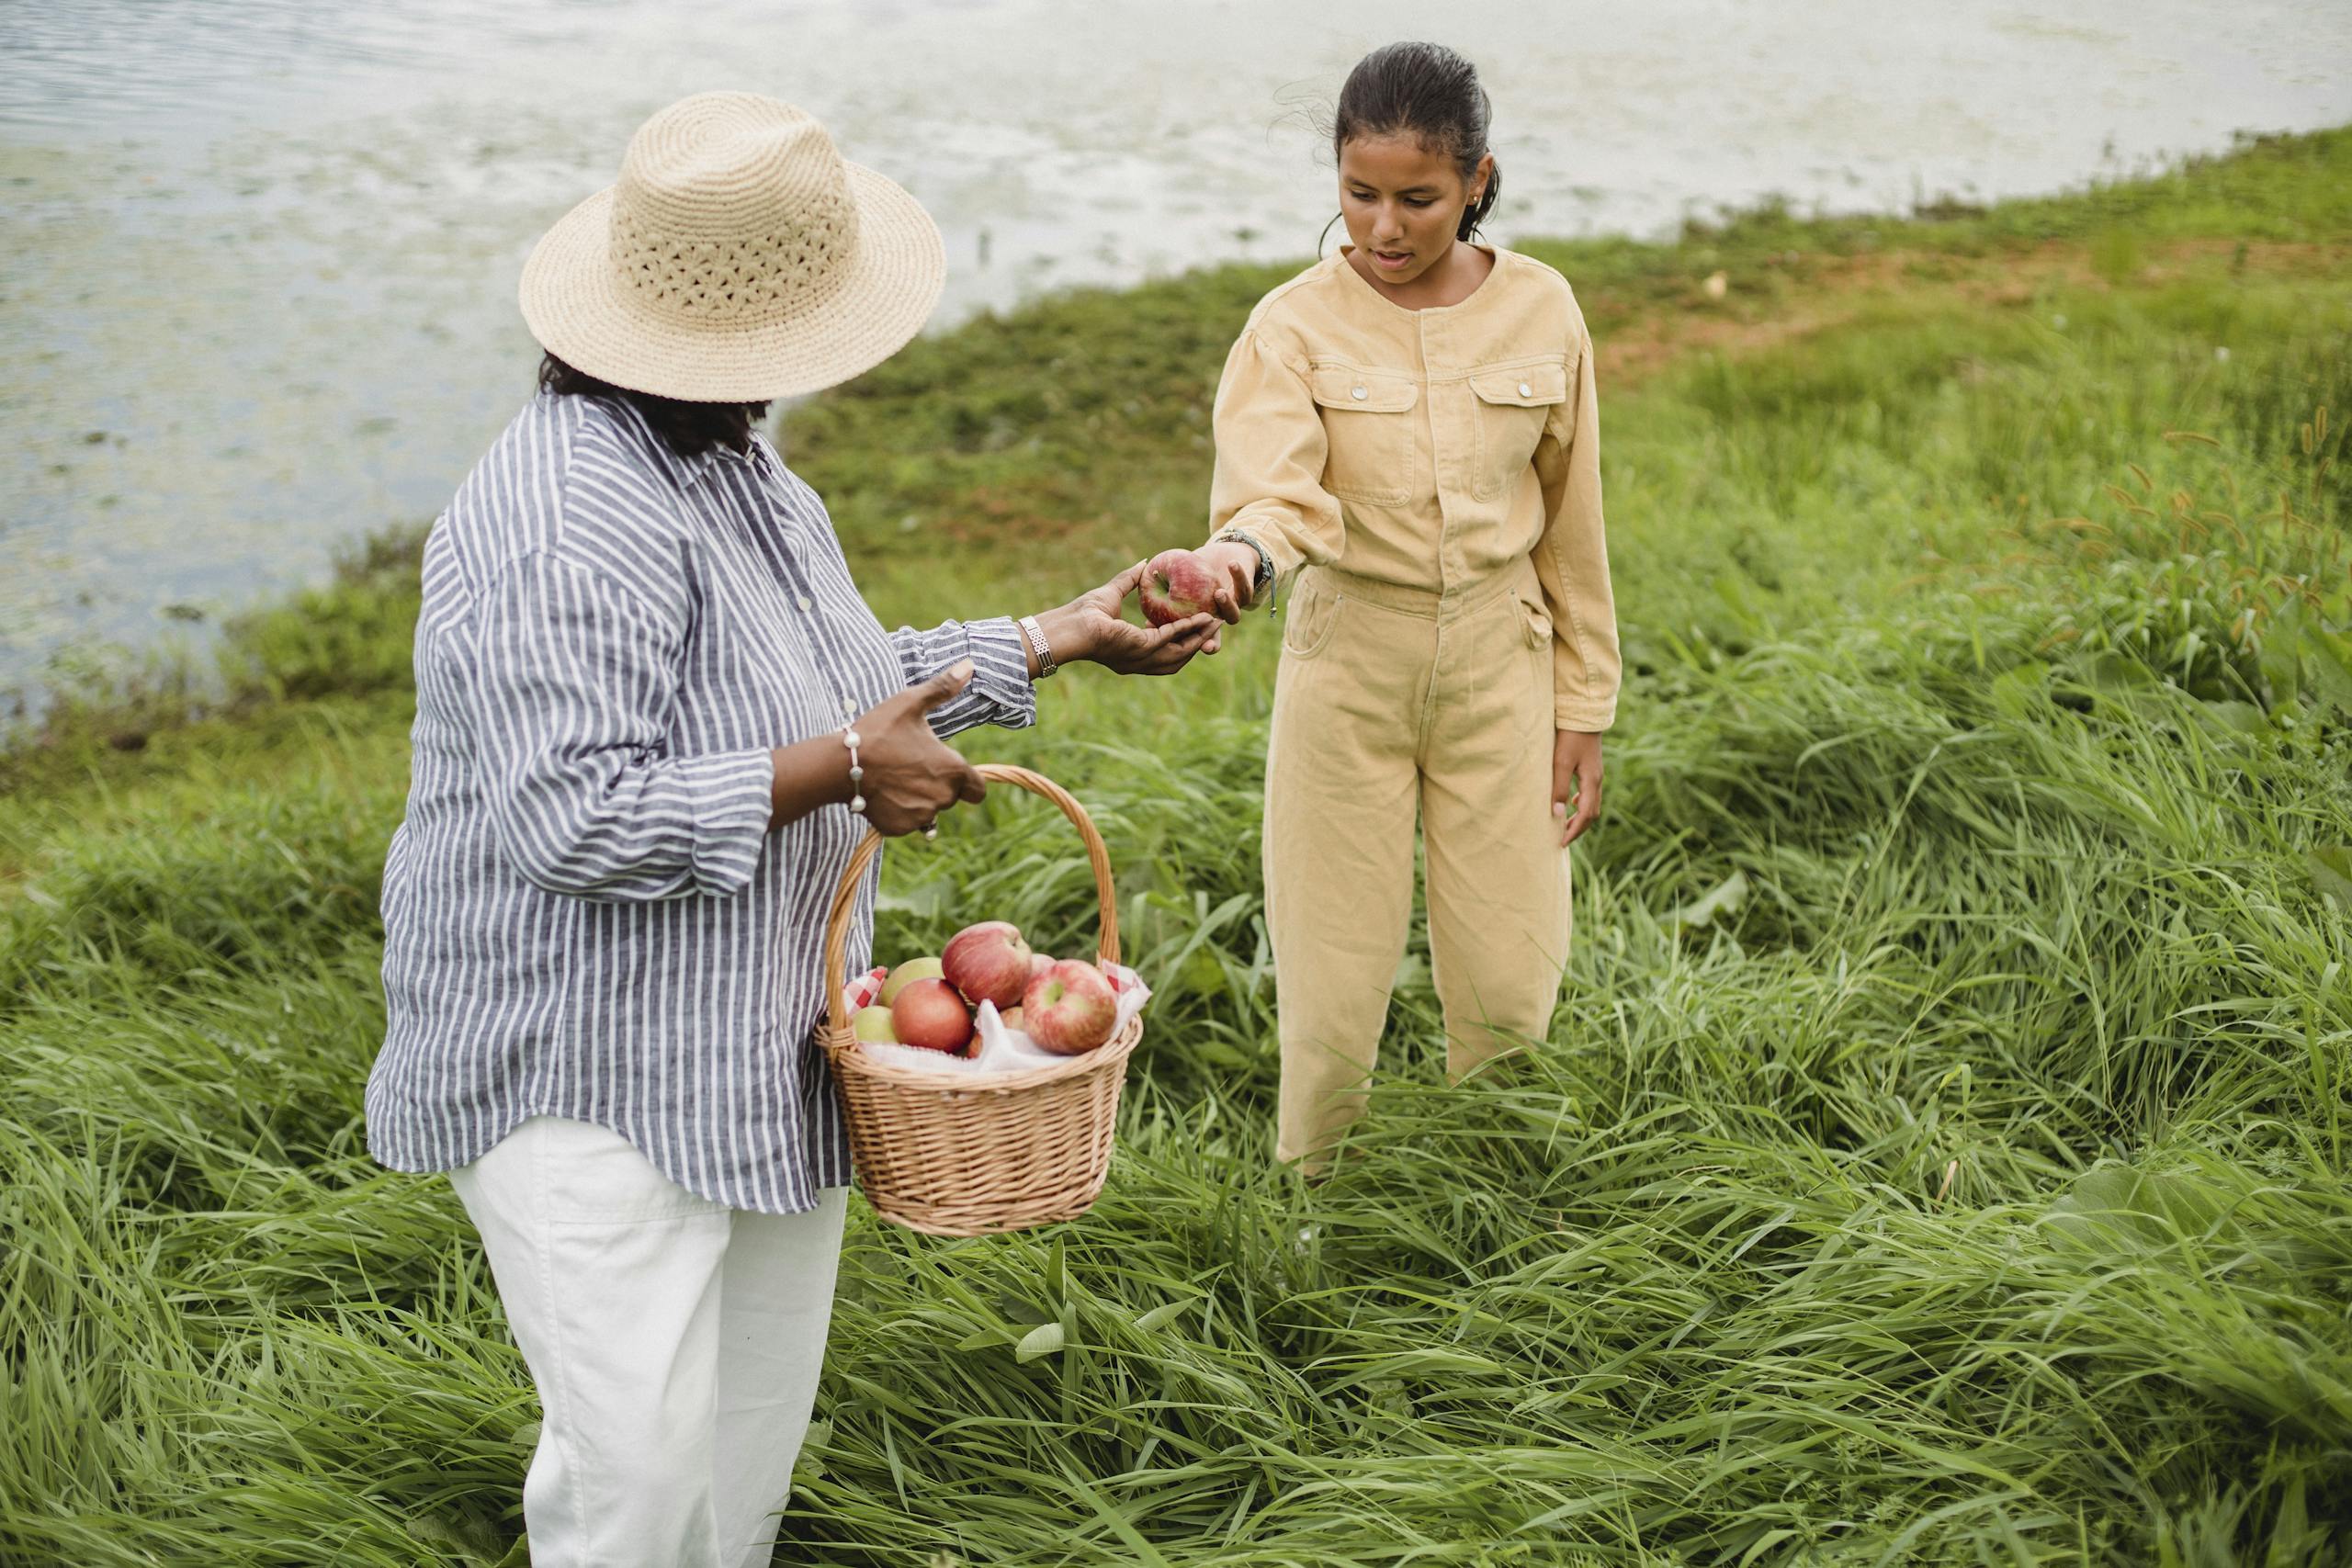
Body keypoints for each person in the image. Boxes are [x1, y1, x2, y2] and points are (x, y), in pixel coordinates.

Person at [361, 92, 1217, 1567]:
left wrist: (1053, 634)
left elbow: (829, 680)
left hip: (751, 1041)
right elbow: (574, 813)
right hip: (592, 1080)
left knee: (744, 1441)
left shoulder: (730, 462)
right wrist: (836, 769)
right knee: (632, 1491)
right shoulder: (564, 511)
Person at [1191, 42, 1622, 1173]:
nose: (1383, 228)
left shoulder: (1544, 308)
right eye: (1359, 195)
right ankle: (1311, 1217)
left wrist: (1585, 705)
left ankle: (1503, 1208)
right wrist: (1233, 558)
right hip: (1347, 670)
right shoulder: (1288, 327)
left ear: (1478, 180)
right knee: (1332, 992)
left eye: (1418, 200)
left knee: (1512, 982)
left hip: (1504, 665)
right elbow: (1272, 496)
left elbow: (1573, 523)